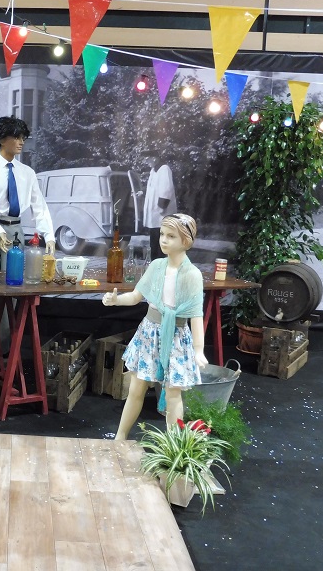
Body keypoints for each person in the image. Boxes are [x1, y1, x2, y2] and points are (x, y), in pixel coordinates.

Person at [103, 213, 207, 439]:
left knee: (173, 394)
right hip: (149, 332)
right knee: (135, 389)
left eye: (171, 236)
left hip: (176, 336)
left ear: (186, 241)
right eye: (162, 234)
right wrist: (116, 300)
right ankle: (120, 436)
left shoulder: (192, 275)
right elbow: (135, 296)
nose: (164, 240)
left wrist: (198, 350)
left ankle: (174, 445)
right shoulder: (157, 267)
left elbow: (196, 314)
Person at [0, 116, 55, 351]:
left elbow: (39, 207)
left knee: (13, 285)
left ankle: (5, 347)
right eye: (16, 137)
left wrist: (49, 236)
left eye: (23, 137)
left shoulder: (27, 173)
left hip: (16, 230)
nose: (21, 142)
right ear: (2, 139)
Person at [142, 152, 178, 260]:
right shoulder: (154, 171)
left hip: (161, 214)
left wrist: (161, 207)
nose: (147, 161)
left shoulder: (164, 169)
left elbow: (166, 190)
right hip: (155, 215)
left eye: (148, 158)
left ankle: (160, 264)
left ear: (154, 158)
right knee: (154, 241)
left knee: (161, 243)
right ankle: (154, 262)